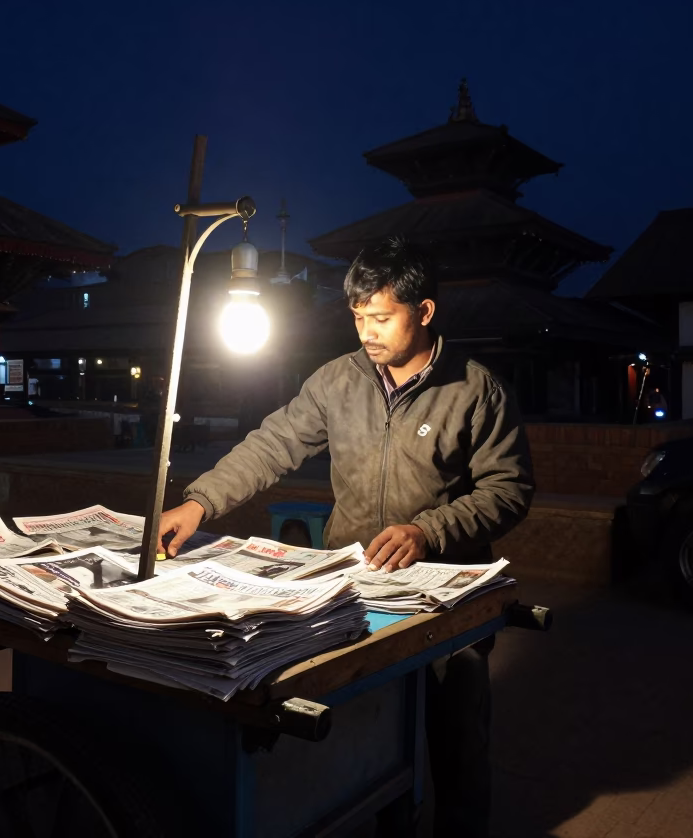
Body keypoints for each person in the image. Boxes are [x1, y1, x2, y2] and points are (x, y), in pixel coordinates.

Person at [158, 237, 534, 837]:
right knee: (363, 729)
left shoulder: (476, 390)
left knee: (456, 731)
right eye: (358, 317)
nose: (367, 332)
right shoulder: (338, 381)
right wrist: (200, 501)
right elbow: (272, 444)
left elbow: (508, 490)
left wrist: (428, 530)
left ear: (425, 312)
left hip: (444, 593)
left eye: (381, 317)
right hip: (353, 580)